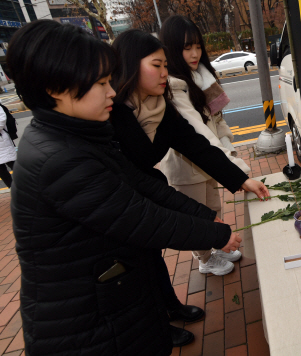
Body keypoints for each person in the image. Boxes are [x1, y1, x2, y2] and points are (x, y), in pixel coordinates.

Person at [8, 20, 241, 355]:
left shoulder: (76, 135)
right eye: (100, 82)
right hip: (89, 325)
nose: (112, 91)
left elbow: (142, 184)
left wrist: (207, 219)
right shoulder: (61, 159)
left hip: (111, 302)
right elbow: (141, 218)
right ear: (56, 88)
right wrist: (215, 234)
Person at [108, 29, 269, 344]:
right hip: (126, 198)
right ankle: (159, 328)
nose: (165, 73)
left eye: (166, 65)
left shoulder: (158, 104)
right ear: (130, 65)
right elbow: (139, 180)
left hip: (145, 188)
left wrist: (240, 179)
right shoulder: (111, 112)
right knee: (138, 268)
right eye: (157, 65)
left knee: (152, 258)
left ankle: (171, 307)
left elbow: (196, 145)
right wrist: (209, 227)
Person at [158, 15, 250, 273]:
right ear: (172, 49)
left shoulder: (202, 77)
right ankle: (205, 260)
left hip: (211, 160)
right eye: (187, 47)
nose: (195, 53)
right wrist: (234, 167)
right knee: (197, 217)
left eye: (197, 46)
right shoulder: (174, 86)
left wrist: (228, 149)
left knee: (213, 207)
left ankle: (217, 246)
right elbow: (198, 133)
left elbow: (217, 120)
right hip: (187, 167)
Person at [0, 106, 16, 188]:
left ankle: (26, 186)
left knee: (13, 164)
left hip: (2, 141)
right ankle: (12, 189)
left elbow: (2, 119)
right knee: (1, 170)